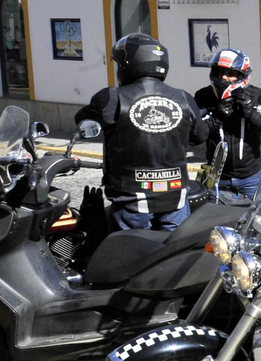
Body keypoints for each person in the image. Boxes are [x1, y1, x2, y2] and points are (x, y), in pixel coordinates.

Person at [75, 33, 205, 232]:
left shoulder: (112, 97)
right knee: (173, 254)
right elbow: (200, 136)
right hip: (175, 196)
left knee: (131, 256)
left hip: (132, 198)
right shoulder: (183, 98)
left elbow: (83, 120)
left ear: (129, 64)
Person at [193, 47, 261, 201]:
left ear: (242, 76)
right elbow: (193, 135)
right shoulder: (203, 96)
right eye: (221, 72)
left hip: (250, 177)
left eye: (231, 74)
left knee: (250, 222)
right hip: (217, 176)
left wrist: (251, 113)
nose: (225, 78)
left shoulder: (256, 95)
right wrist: (216, 117)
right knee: (212, 220)